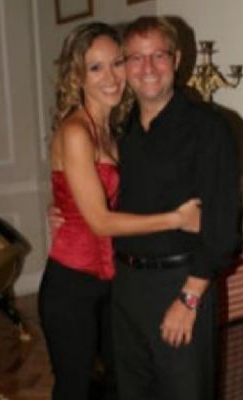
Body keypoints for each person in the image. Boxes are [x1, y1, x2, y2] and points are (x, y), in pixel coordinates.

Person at [39, 22, 202, 400]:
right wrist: (177, 219)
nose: (111, 77)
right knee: (74, 389)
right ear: (77, 75)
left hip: (116, 282)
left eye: (117, 63)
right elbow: (99, 221)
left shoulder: (118, 130)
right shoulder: (76, 131)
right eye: (96, 67)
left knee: (121, 383)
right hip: (72, 284)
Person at [111, 17, 240, 399]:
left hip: (180, 283)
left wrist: (189, 298)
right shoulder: (119, 131)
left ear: (177, 59)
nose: (147, 68)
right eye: (136, 58)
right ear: (124, 66)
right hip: (124, 287)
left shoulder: (209, 129)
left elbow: (223, 229)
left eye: (158, 55)